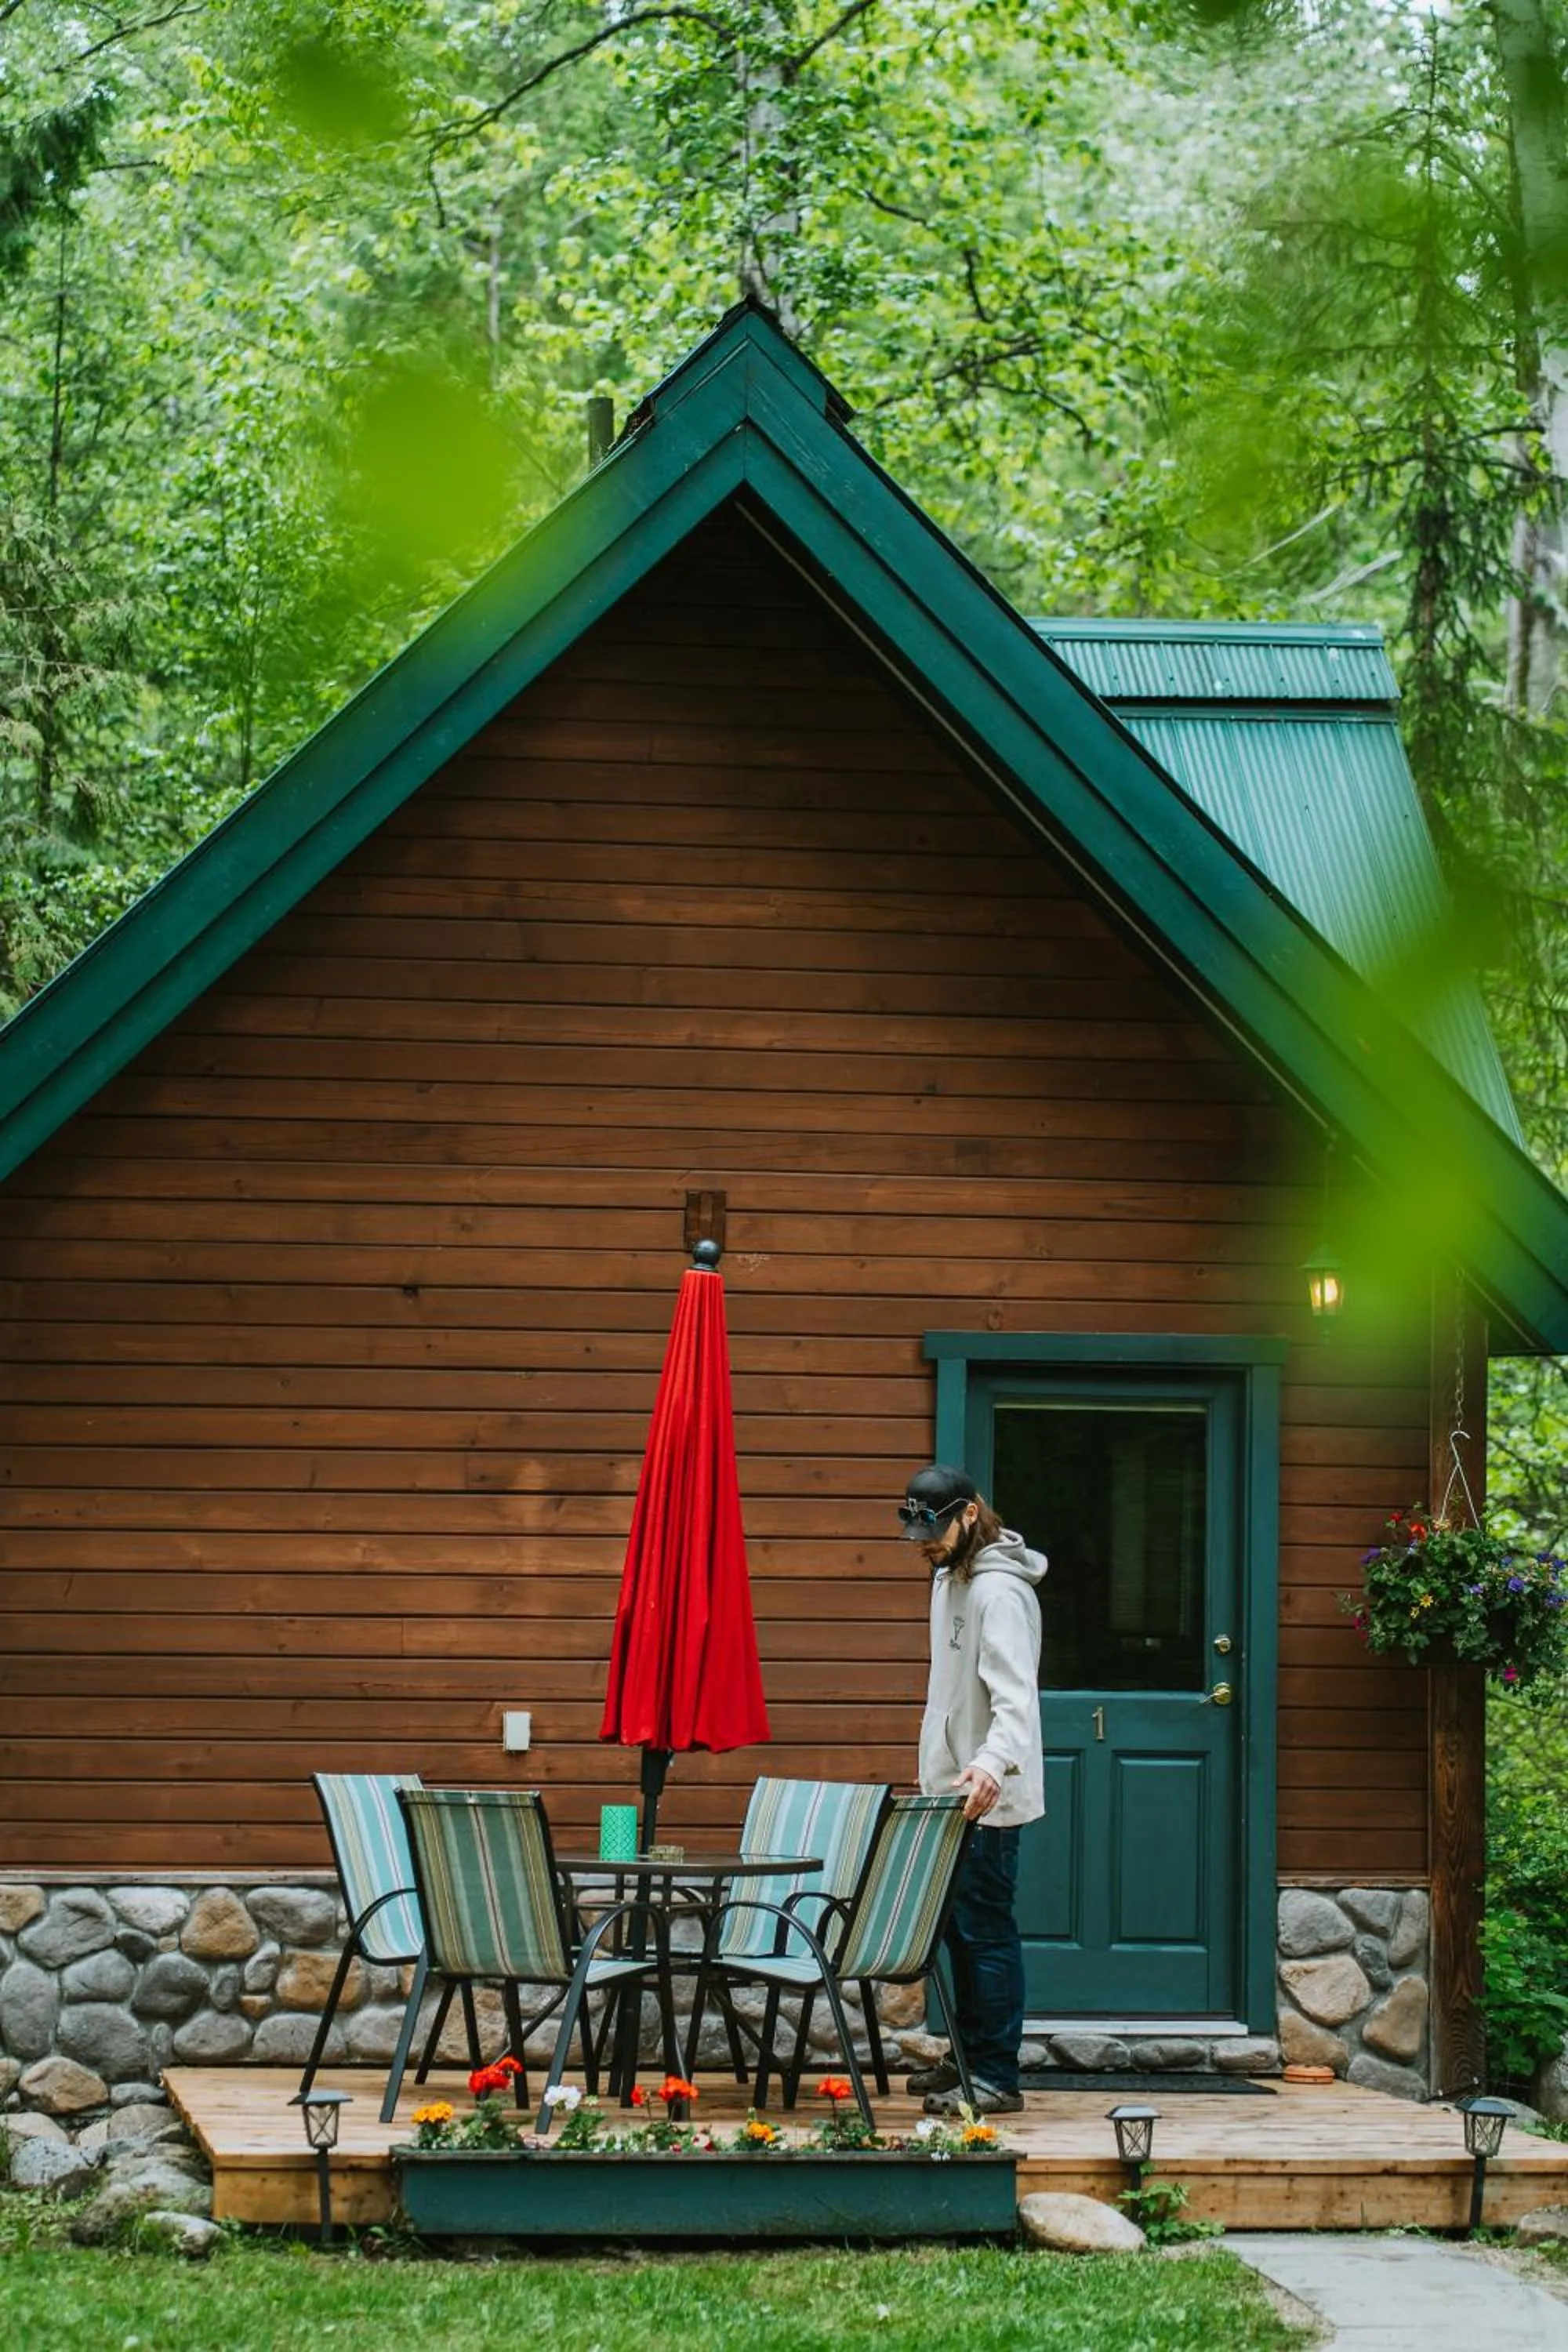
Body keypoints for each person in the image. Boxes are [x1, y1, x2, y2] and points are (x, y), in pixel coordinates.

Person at [898, 1461, 1046, 2118]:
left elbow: (1016, 1701)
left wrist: (988, 1768)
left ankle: (996, 2076)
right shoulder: (947, 1580)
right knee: (957, 1932)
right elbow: (950, 1694)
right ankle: (965, 2060)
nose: (922, 1543)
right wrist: (935, 1766)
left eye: (932, 1529)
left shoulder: (1000, 1594)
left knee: (985, 1932)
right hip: (951, 1791)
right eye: (914, 1530)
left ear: (966, 1516)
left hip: (989, 1795)